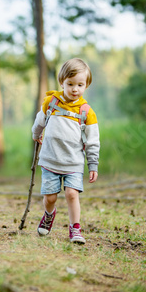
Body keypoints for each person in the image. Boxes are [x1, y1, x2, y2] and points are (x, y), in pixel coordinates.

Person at [31, 58, 100, 244]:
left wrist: (92, 163)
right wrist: (36, 134)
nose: (75, 89)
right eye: (70, 84)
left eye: (80, 84)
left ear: (86, 85)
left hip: (73, 162)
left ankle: (75, 229)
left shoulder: (86, 112)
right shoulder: (51, 103)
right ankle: (48, 214)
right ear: (62, 82)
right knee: (50, 197)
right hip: (50, 160)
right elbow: (39, 121)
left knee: (71, 194)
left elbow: (93, 141)